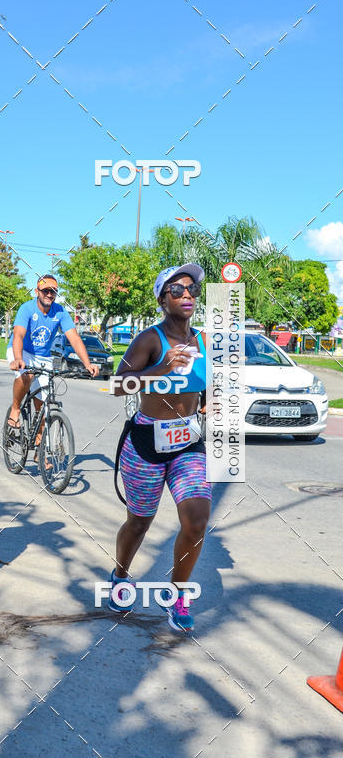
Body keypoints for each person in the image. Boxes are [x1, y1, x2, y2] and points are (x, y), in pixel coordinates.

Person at [110, 264, 211, 632]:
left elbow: (207, 385)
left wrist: (211, 400)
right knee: (139, 523)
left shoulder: (202, 340)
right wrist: (160, 369)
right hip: (146, 442)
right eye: (177, 290)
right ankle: (121, 575)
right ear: (161, 298)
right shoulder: (149, 340)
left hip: (188, 442)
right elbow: (119, 385)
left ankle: (179, 595)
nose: (187, 295)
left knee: (197, 521)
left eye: (192, 290)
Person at [6, 275, 99, 443]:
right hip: (21, 350)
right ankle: (15, 408)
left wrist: (87, 364)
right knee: (26, 375)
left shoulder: (61, 312)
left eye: (54, 291)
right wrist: (18, 359)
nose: (50, 294)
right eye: (46, 290)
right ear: (37, 291)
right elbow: (18, 335)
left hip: (43, 356)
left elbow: (75, 339)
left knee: (43, 405)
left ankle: (40, 448)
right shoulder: (26, 309)